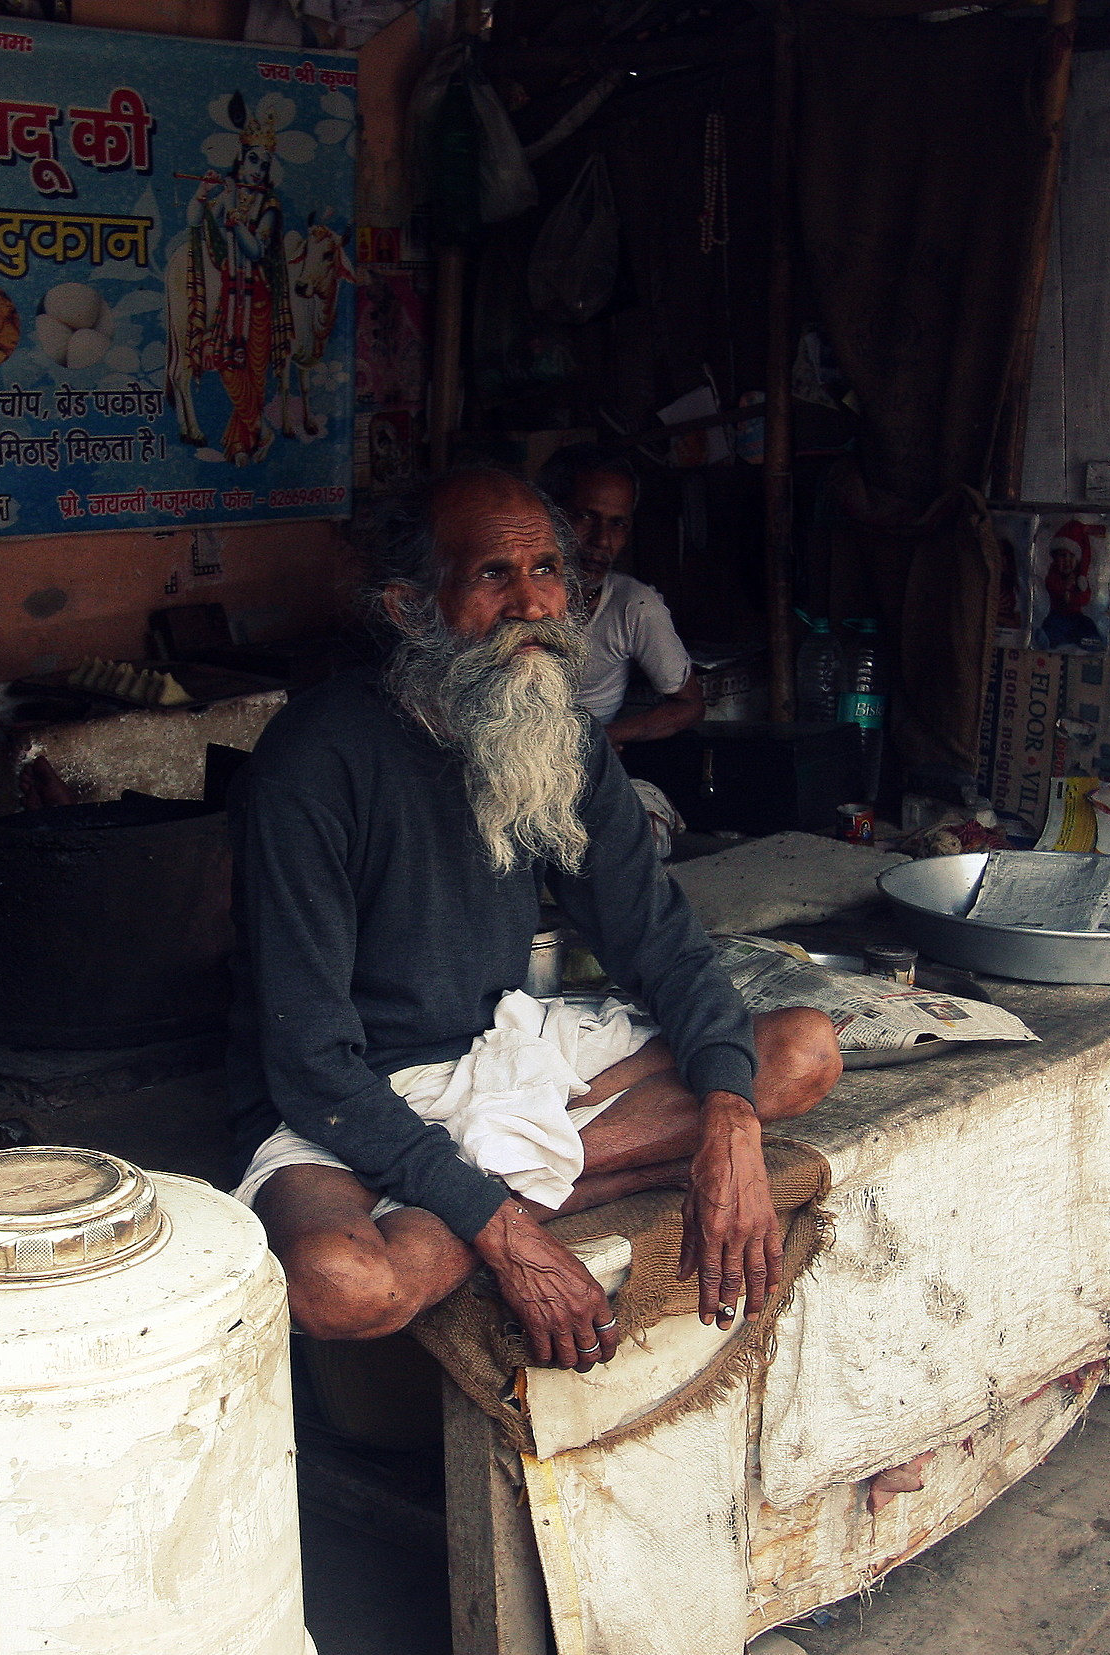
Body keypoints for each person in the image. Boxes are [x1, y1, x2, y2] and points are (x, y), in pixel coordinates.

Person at [228, 468, 841, 1371]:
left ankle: (506, 1187)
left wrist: (728, 1121)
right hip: (356, 1098)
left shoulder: (561, 734)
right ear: (410, 607)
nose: (532, 603)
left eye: (547, 569)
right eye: (492, 575)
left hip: (505, 1055)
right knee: (341, 1284)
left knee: (800, 1051)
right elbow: (311, 1061)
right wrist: (504, 1233)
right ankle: (546, 1188)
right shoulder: (312, 761)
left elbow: (661, 943)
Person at [537, 445, 706, 745]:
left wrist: (600, 741)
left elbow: (689, 705)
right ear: (548, 516)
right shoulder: (513, 598)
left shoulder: (633, 606)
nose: (602, 540)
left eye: (618, 524)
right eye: (585, 516)